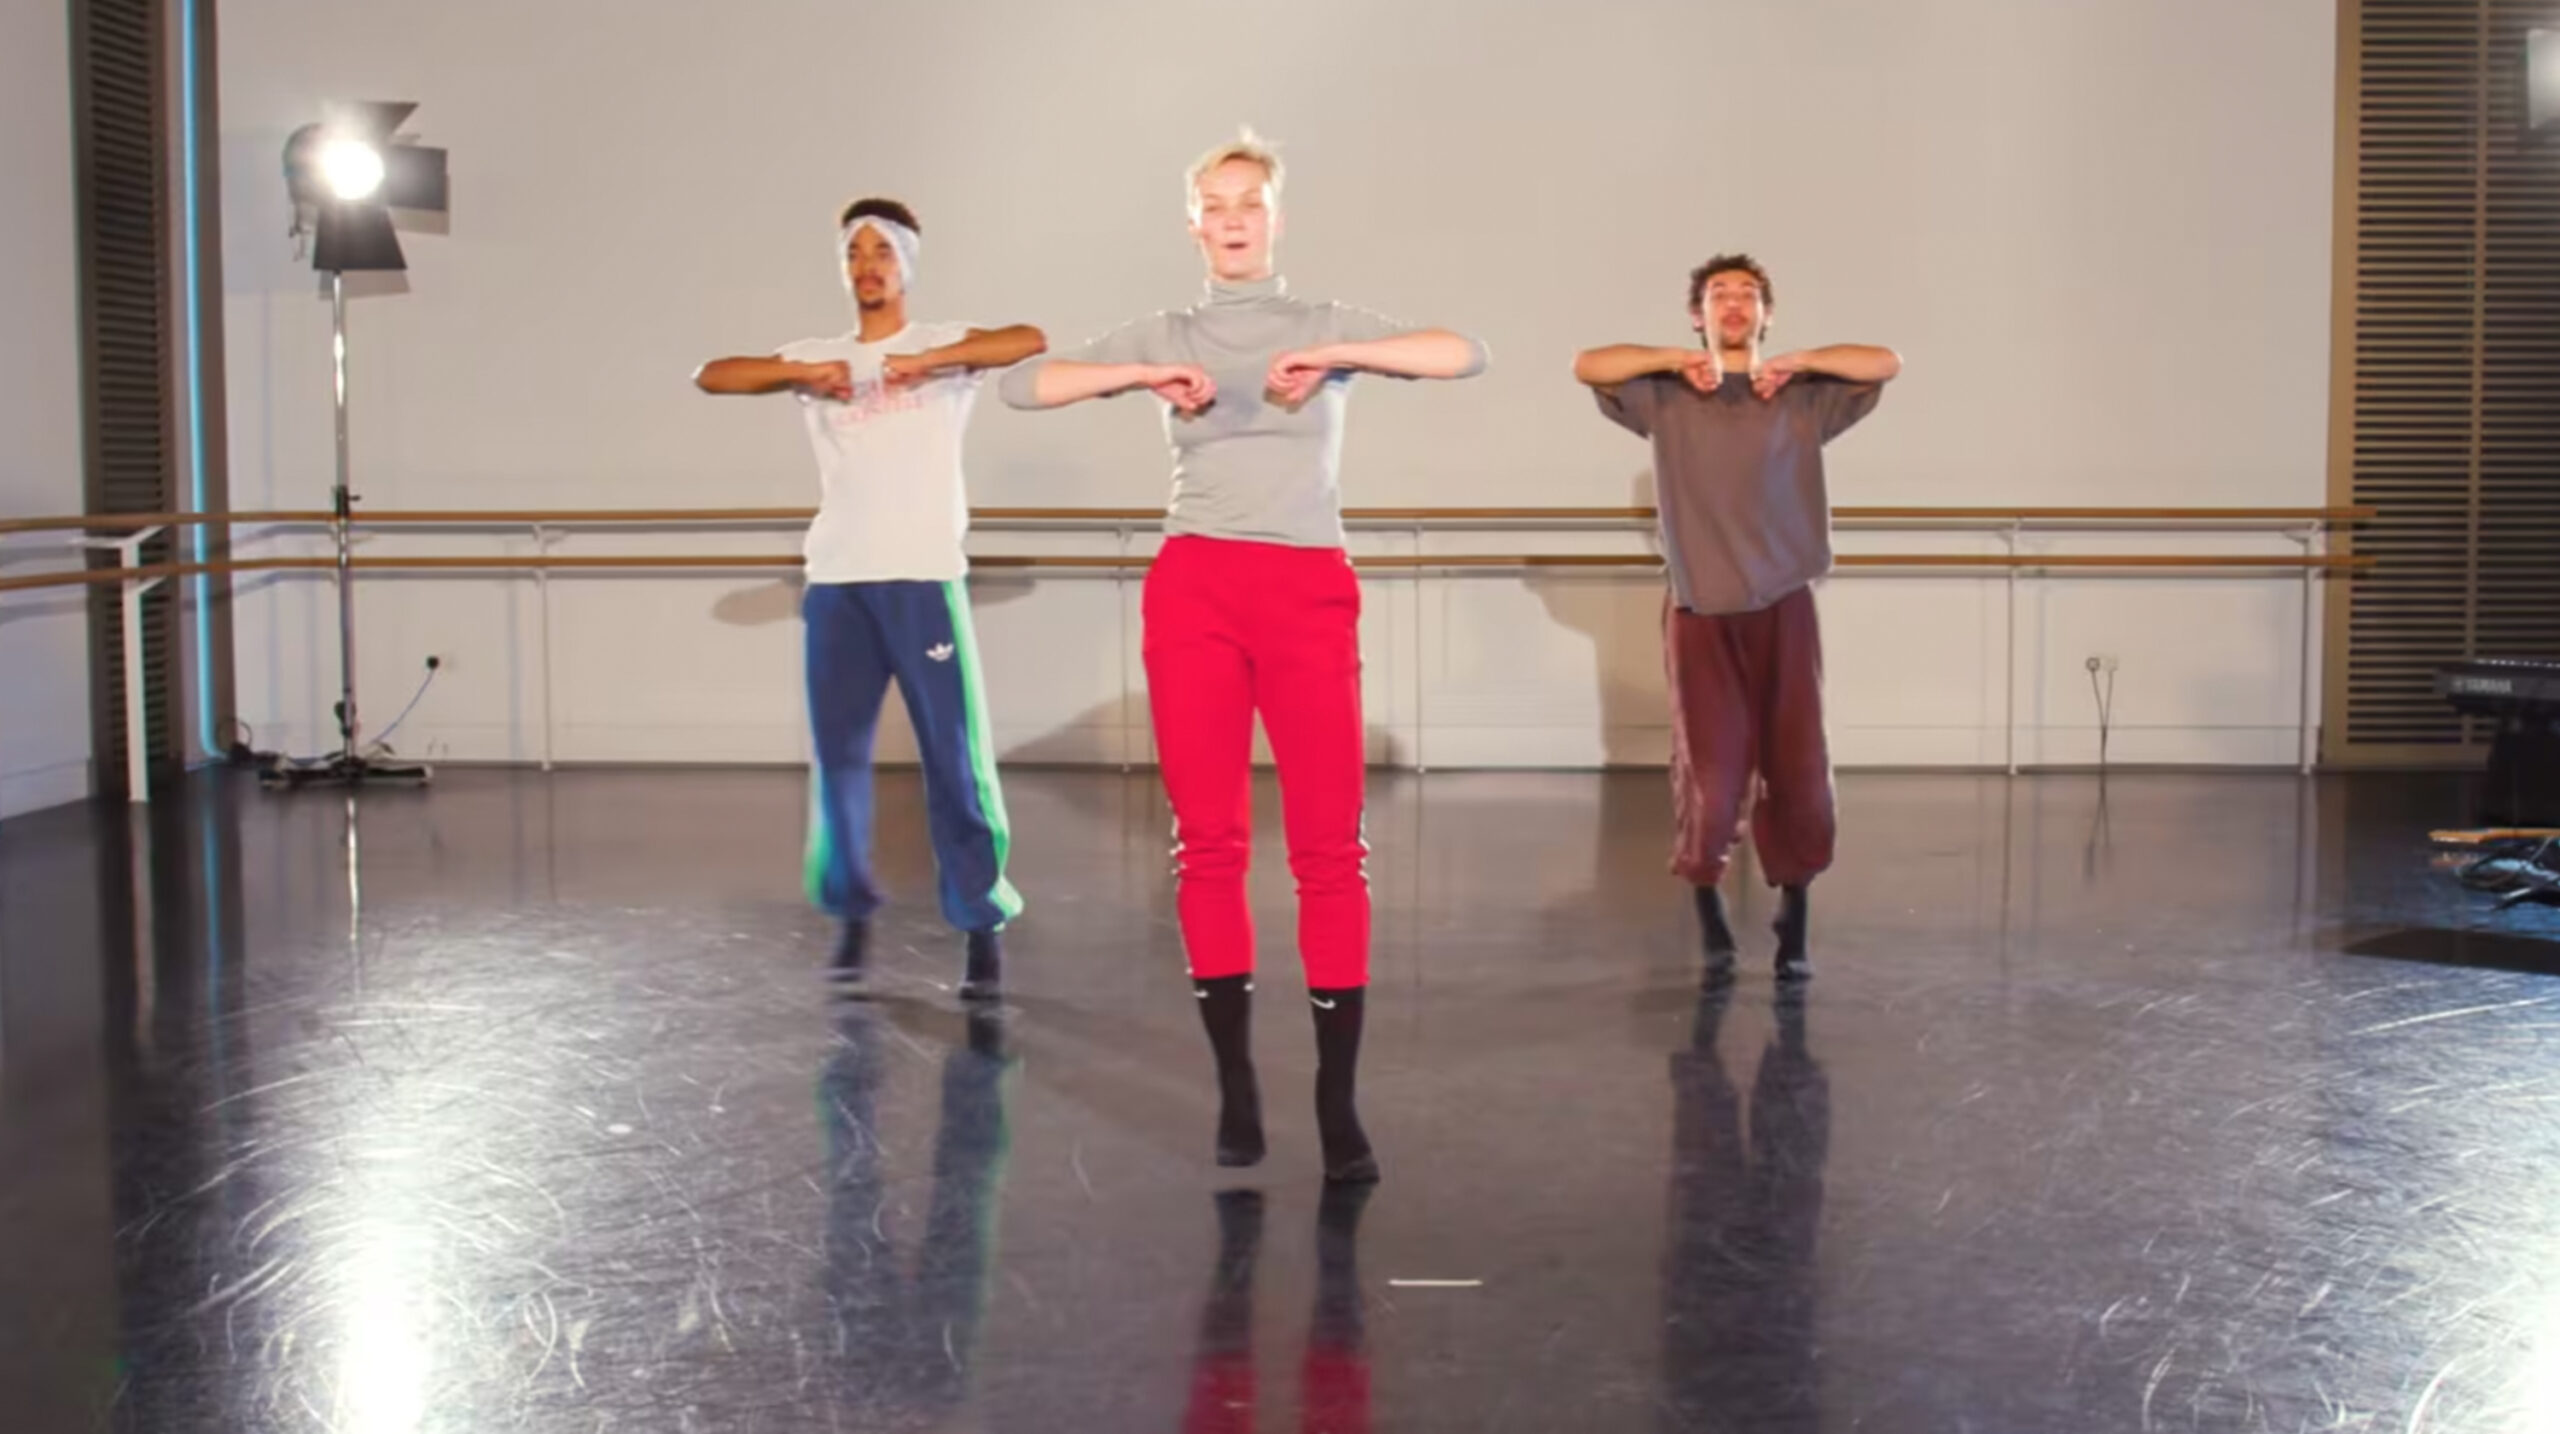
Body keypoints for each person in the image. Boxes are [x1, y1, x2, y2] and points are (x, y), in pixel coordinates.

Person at [999, 131, 1487, 1183]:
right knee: (1207, 841)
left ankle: (1336, 1096)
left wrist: (1340, 358)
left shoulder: (1322, 322)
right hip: (1196, 587)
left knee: (1328, 847)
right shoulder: (1169, 328)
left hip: (1308, 588)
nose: (1231, 218)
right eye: (1214, 203)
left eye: (1249, 202)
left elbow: (1463, 352)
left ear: (1275, 218)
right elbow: (1022, 387)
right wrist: (1138, 375)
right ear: (1192, 222)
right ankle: (1234, 1085)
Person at [695, 198, 1046, 999]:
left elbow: (1029, 339)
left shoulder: (941, 349)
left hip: (922, 576)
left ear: (906, 262)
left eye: (881, 249)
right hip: (837, 583)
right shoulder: (816, 356)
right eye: (853, 251)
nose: (866, 264)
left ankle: (978, 904)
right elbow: (711, 375)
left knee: (953, 756)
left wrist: (927, 366)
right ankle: (848, 899)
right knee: (841, 754)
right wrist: (797, 374)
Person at [1573, 255, 1900, 984]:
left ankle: (1796, 915)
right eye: (1718, 293)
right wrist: (1674, 359)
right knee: (1714, 780)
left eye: (1747, 294)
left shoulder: (1801, 397)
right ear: (1698, 313)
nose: (1733, 302)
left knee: (1801, 776)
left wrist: (1800, 362)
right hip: (1702, 611)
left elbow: (1887, 362)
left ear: (1764, 314)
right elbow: (1587, 365)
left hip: (1785, 608)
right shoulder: (1667, 396)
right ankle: (1709, 908)